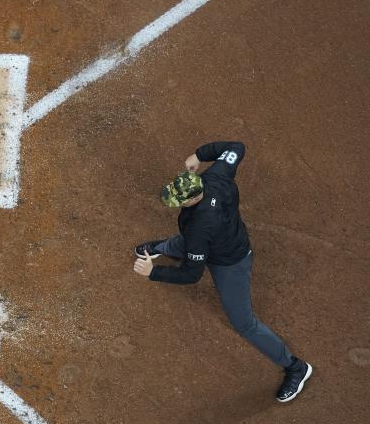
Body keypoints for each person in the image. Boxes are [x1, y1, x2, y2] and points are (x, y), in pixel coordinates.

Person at [132, 141, 312, 402]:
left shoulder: (201, 227)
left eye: (178, 200)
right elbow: (237, 147)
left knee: (245, 324)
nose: (174, 203)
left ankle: (296, 367)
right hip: (221, 234)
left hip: (230, 262)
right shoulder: (214, 176)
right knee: (185, 242)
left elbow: (191, 274)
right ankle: (163, 247)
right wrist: (200, 155)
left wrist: (153, 273)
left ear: (193, 197)